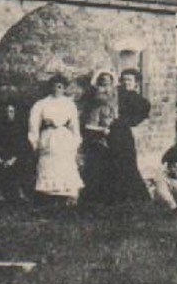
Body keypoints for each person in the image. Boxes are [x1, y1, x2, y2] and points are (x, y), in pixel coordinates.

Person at [28, 74, 83, 205]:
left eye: (60, 87)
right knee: (49, 164)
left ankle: (67, 196)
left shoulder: (69, 104)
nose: (57, 89)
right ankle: (49, 195)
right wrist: (34, 141)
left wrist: (76, 140)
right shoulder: (41, 104)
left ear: (64, 89)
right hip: (49, 136)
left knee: (65, 164)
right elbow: (33, 124)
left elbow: (74, 124)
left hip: (64, 137)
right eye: (54, 86)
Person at [102, 68, 151, 204]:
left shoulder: (141, 101)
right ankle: (110, 200)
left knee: (126, 164)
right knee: (108, 164)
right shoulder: (114, 95)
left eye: (129, 80)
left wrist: (118, 120)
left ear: (136, 83)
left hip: (124, 135)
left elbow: (136, 121)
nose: (125, 83)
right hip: (108, 133)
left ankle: (133, 199)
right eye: (123, 80)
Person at [79, 70, 118, 204]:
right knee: (95, 161)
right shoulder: (96, 94)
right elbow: (98, 101)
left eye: (108, 81)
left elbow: (114, 108)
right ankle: (93, 194)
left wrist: (112, 122)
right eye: (103, 81)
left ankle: (109, 194)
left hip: (110, 125)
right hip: (96, 128)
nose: (106, 84)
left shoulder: (113, 93)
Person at [0, 100, 32, 205]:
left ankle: (19, 192)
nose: (8, 114)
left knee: (20, 169)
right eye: (6, 112)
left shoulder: (19, 129)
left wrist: (13, 159)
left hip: (15, 159)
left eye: (11, 111)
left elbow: (22, 146)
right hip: (1, 158)